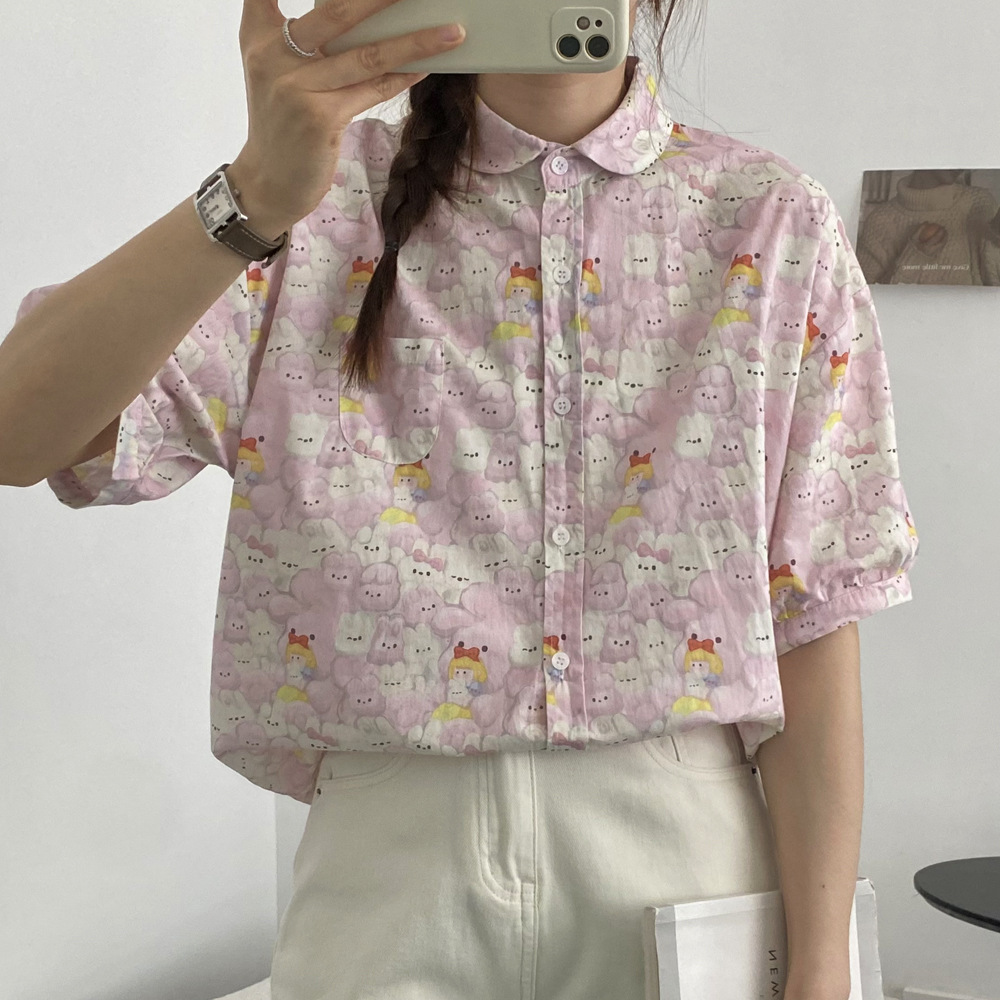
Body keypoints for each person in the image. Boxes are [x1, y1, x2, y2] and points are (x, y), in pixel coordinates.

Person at [1, 0, 920, 997]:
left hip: (682, 845)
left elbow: (814, 615)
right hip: (388, 862)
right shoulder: (312, 205)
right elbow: (18, 435)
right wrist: (252, 194)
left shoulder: (768, 219)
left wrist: (822, 964)